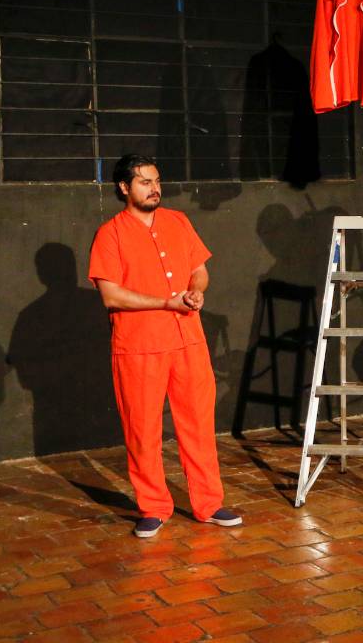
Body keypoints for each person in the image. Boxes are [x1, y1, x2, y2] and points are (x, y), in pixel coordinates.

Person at [88, 154, 241, 538]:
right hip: (139, 346)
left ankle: (208, 503)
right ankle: (153, 506)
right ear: (124, 187)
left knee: (199, 425)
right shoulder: (110, 234)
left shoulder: (178, 221)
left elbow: (199, 270)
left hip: (188, 340)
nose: (154, 189)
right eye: (145, 182)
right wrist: (165, 303)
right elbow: (111, 295)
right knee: (142, 429)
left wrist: (196, 291)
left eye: (156, 181)